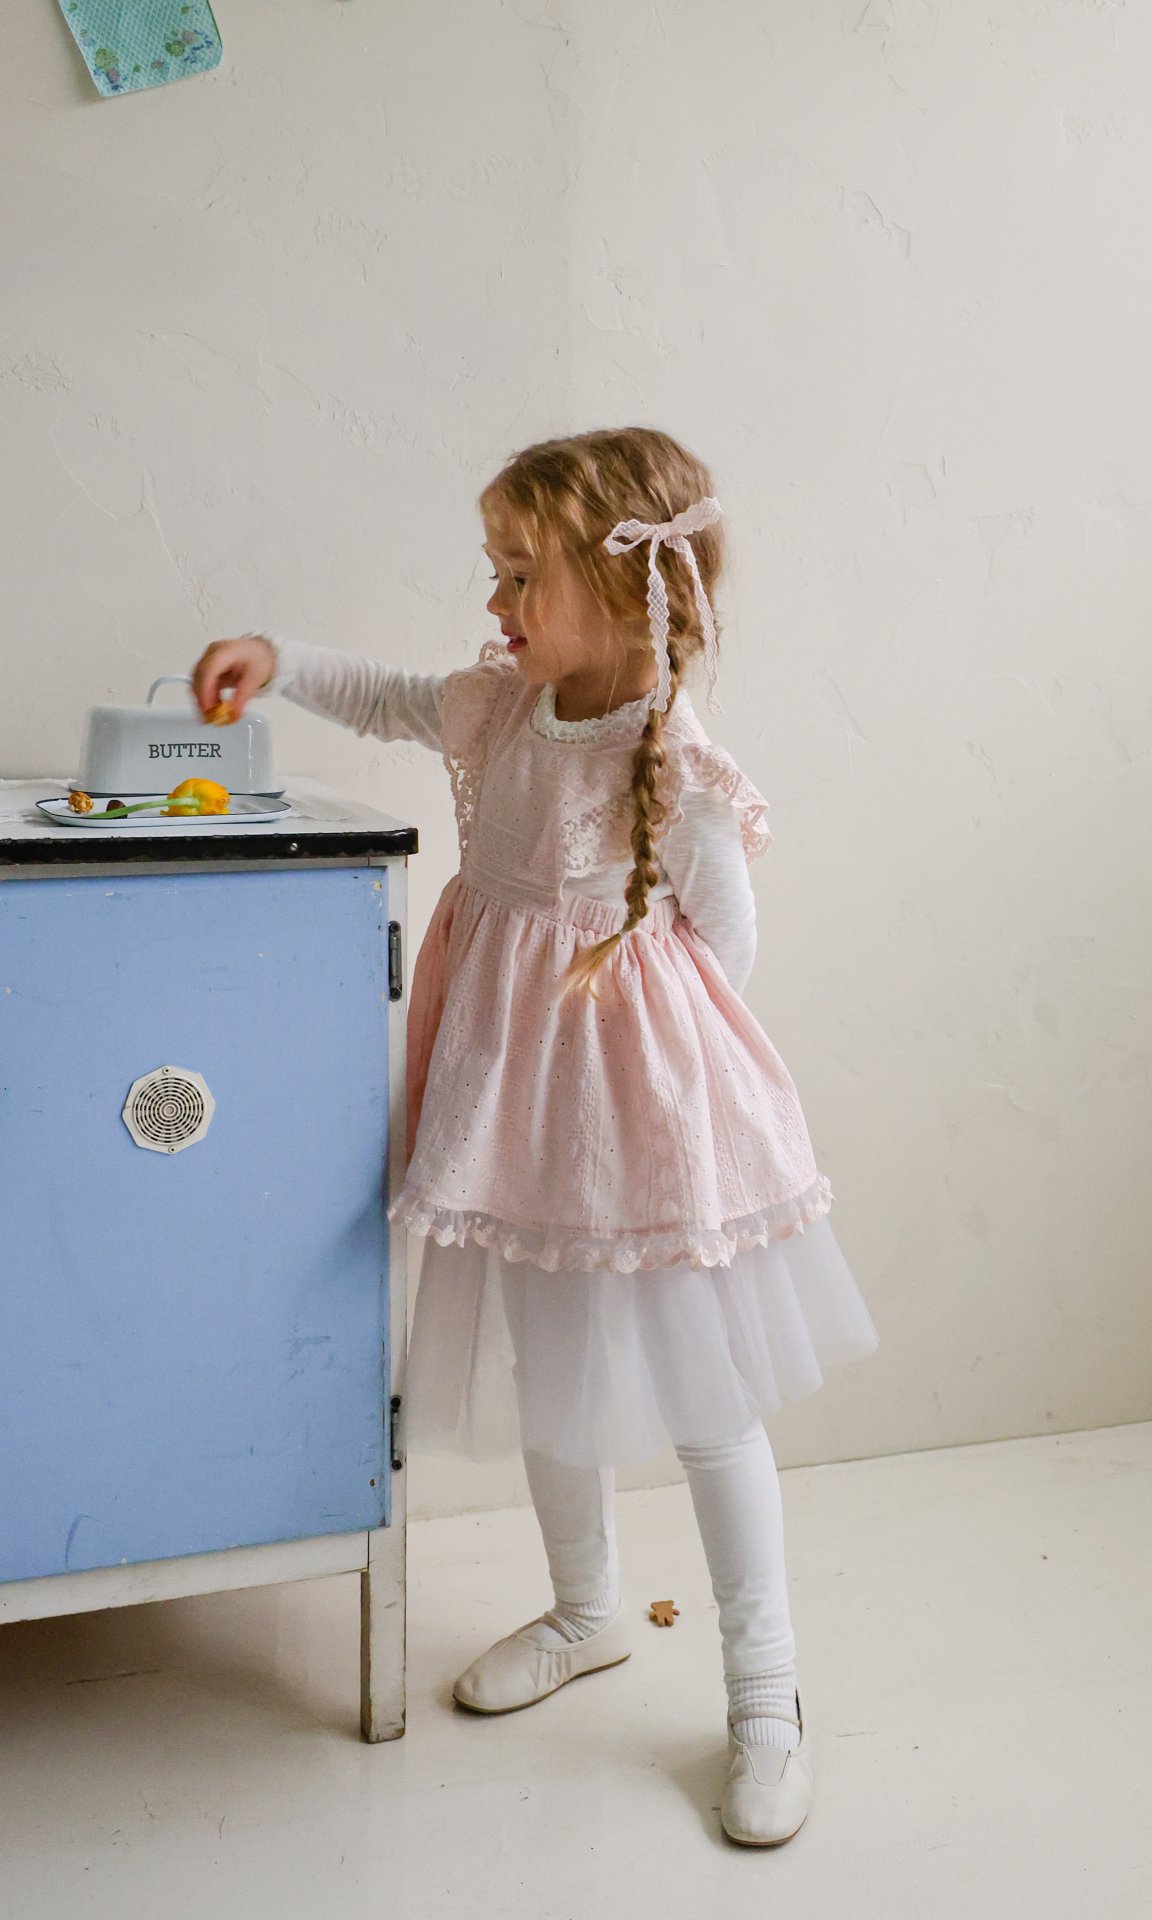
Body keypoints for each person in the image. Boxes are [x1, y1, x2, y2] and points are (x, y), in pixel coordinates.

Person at [191, 425, 879, 1847]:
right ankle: (585, 1610)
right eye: (495, 571)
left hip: (645, 1124)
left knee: (707, 1401)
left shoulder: (671, 759)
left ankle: (765, 1692)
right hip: (513, 1114)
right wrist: (278, 658)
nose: (495, 601)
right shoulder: (503, 710)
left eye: (521, 576)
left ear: (626, 594)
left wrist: (625, 1061)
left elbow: (722, 947)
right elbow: (388, 698)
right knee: (550, 1358)